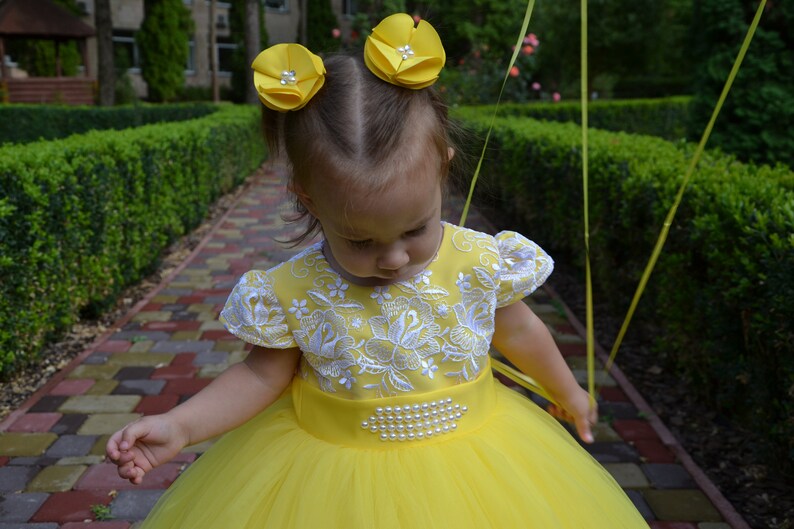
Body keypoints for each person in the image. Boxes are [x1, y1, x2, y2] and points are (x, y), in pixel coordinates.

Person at [107, 13, 648, 528]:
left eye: (415, 230)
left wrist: (567, 390)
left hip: (480, 465)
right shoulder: (292, 291)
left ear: (443, 169)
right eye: (360, 240)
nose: (393, 259)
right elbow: (258, 375)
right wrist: (181, 425)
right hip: (328, 480)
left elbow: (522, 330)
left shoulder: (478, 263)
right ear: (309, 200)